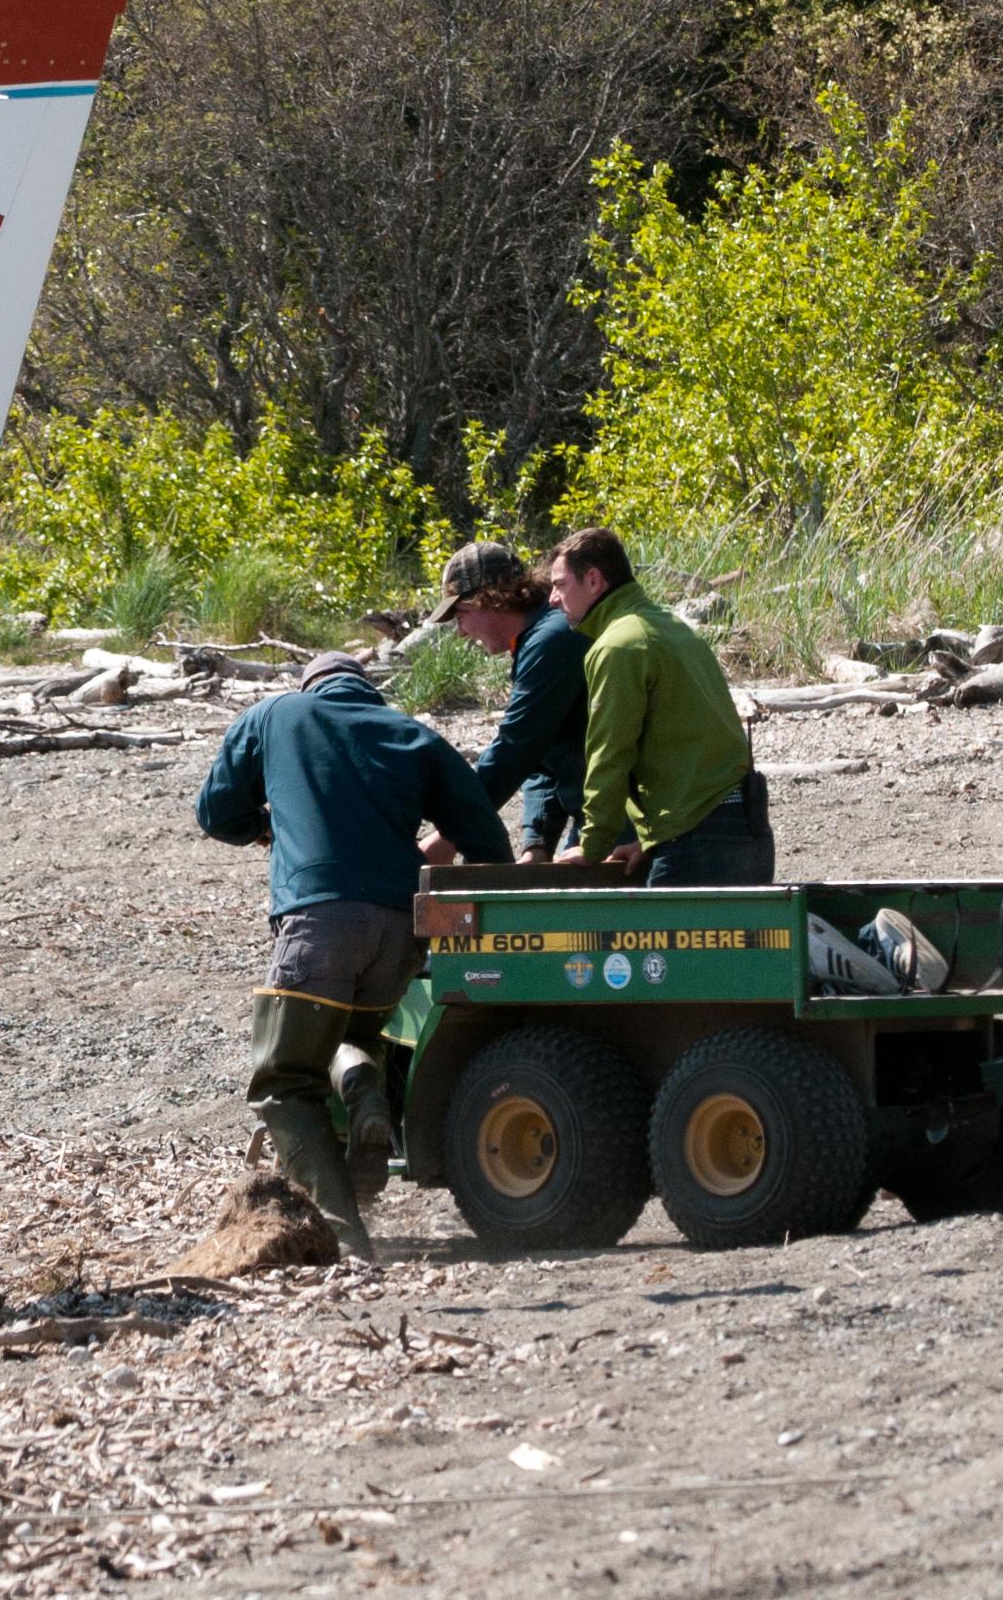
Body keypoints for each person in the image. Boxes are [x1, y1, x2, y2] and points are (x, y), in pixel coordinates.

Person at [194, 648, 511, 1252]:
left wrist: (265, 825)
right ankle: (366, 1097)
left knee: (284, 1082)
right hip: (401, 932)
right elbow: (488, 840)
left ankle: (342, 1233)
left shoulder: (277, 713)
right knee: (354, 1037)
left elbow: (215, 812)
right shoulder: (412, 733)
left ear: (309, 683)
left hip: (320, 924)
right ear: (365, 689)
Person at [549, 525, 772, 884]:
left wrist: (593, 845)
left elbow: (610, 753)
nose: (552, 598)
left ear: (593, 580)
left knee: (661, 943)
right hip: (746, 824)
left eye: (560, 585)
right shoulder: (670, 627)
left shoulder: (618, 646)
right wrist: (648, 839)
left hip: (699, 840)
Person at [428, 540, 584, 861]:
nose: (461, 631)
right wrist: (536, 843)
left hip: (631, 819)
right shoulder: (537, 639)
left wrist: (452, 831)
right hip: (600, 813)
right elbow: (543, 755)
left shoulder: (550, 641)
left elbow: (515, 747)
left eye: (461, 614)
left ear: (491, 599)